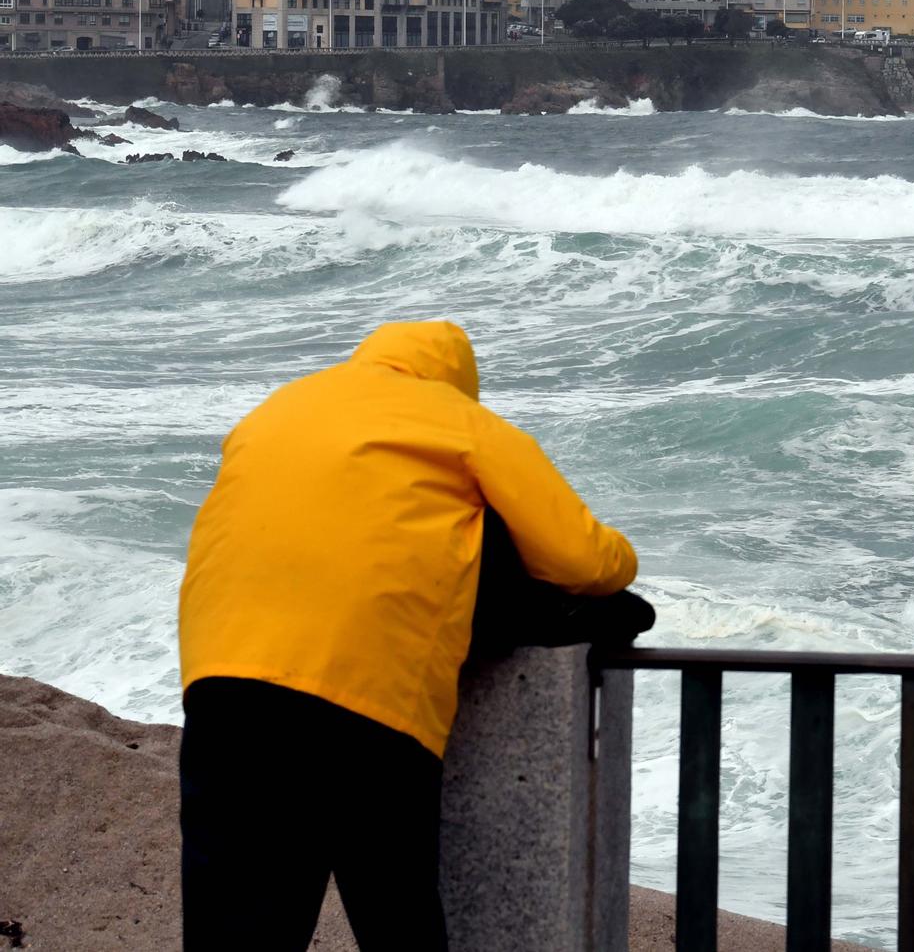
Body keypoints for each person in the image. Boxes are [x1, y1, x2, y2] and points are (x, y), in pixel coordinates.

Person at [177, 321, 650, 951]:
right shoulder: (462, 422)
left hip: (225, 687)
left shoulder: (278, 408)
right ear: (457, 380)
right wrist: (624, 566)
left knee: (235, 932)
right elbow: (580, 558)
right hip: (369, 700)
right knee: (397, 921)